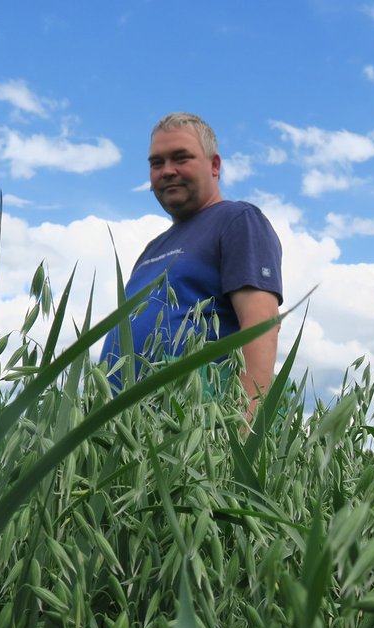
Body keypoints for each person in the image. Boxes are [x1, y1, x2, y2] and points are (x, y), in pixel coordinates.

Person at [101, 112, 283, 420]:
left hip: (190, 424)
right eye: (156, 163)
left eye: (181, 158)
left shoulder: (238, 221)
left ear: (214, 166)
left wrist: (244, 426)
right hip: (122, 427)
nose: (167, 171)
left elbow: (261, 325)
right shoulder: (151, 249)